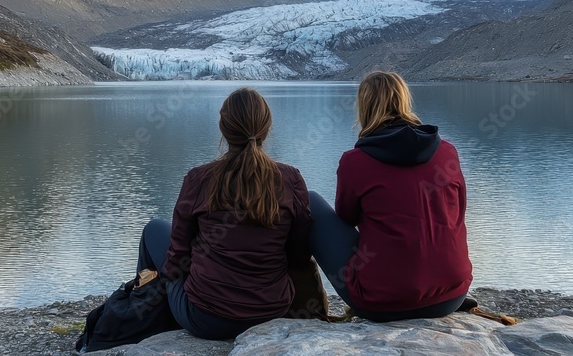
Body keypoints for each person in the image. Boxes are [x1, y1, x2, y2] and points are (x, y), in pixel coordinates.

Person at [135, 87, 313, 340]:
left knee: (154, 229)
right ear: (266, 128)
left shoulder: (199, 179)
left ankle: (140, 313)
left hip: (206, 319)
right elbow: (299, 256)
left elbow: (176, 260)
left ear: (223, 128)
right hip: (271, 312)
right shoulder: (290, 179)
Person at [309, 71, 472, 322]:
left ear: (365, 106)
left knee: (310, 202)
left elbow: (346, 217)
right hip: (452, 295)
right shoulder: (447, 152)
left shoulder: (355, 161)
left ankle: (288, 299)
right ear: (404, 100)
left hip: (381, 304)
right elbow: (458, 212)